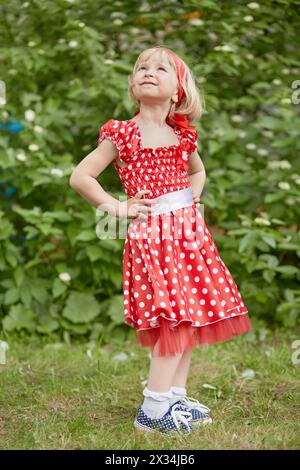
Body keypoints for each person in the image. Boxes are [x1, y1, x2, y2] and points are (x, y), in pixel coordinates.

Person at [69, 45, 253, 435]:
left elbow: (197, 173)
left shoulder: (182, 135)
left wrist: (191, 198)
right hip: (154, 238)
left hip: (188, 235)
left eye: (160, 68)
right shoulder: (124, 133)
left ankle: (174, 396)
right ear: (134, 86)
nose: (148, 71)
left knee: (189, 316)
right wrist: (117, 208)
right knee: (171, 317)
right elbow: (81, 177)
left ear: (178, 91)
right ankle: (152, 411)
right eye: (141, 68)